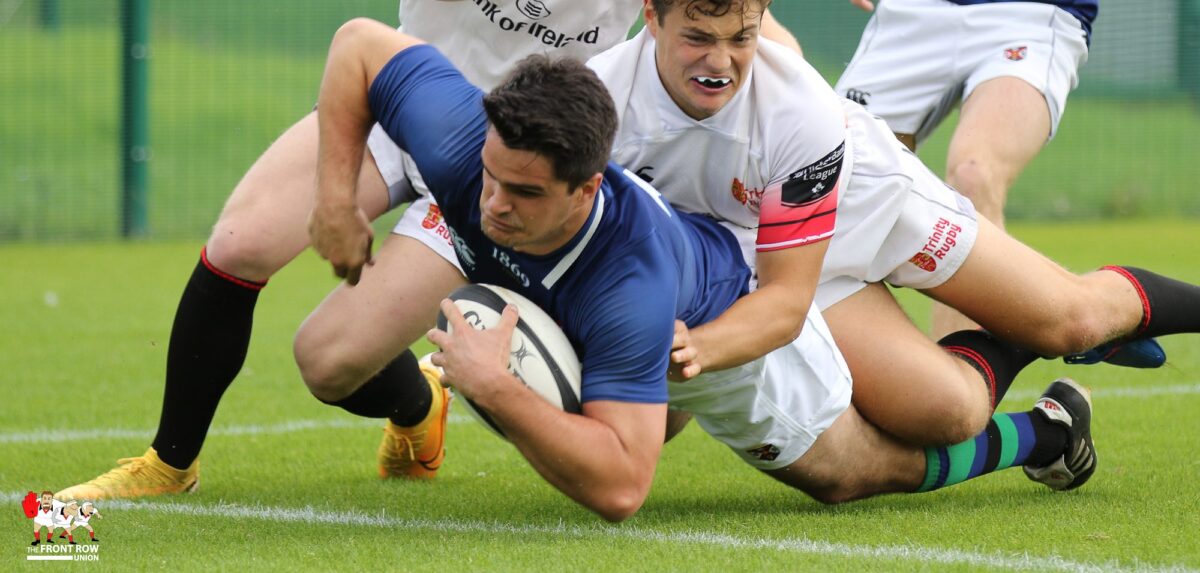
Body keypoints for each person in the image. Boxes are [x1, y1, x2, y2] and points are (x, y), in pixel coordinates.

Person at [308, 20, 1095, 518]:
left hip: (730, 338)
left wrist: (496, 386)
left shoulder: (631, 281)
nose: (492, 204)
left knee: (860, 468)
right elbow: (360, 45)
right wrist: (337, 199)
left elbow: (622, 489)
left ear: (586, 188)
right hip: (662, 303)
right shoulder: (466, 145)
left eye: (525, 193)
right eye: (490, 177)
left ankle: (1039, 425)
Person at [56, 0, 802, 501]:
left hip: (527, 171)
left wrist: (815, 124)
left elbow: (753, 32)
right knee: (241, 242)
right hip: (420, 108)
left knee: (328, 361)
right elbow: (358, 44)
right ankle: (170, 463)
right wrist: (334, 199)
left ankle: (424, 401)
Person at [585, 0, 1200, 451]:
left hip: (870, 204)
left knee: (1074, 319)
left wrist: (697, 350)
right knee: (948, 414)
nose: (720, 62)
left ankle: (1054, 323)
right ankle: (1017, 335)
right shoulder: (599, 104)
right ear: (651, 15)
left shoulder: (797, 106)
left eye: (741, 38)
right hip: (769, 253)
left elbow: (785, 304)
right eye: (697, 37)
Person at [830, 0, 1145, 348]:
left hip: (1029, 14)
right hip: (915, 12)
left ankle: (969, 374)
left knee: (975, 175)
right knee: (835, 179)